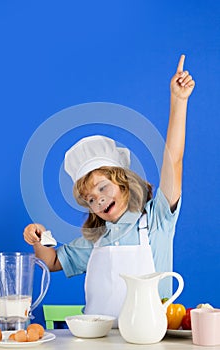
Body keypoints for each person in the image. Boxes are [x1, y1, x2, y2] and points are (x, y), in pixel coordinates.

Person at [23, 55, 195, 323]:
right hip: (98, 341)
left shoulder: (157, 220)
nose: (99, 199)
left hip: (146, 340)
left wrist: (179, 101)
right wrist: (38, 237)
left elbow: (173, 160)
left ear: (124, 182)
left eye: (103, 187)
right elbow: (52, 262)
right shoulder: (97, 240)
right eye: (90, 198)